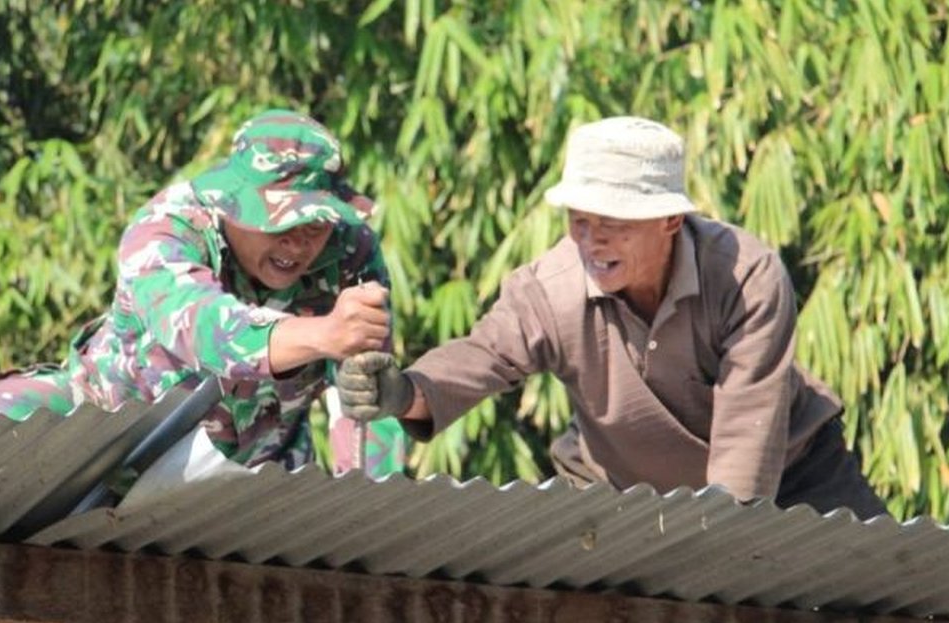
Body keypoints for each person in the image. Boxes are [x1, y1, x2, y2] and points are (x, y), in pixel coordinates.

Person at [338, 116, 887, 519]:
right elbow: (483, 355)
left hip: (792, 472)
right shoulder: (549, 289)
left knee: (890, 603)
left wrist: (717, 544)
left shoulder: (745, 275)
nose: (591, 241)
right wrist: (404, 393)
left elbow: (749, 433)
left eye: (613, 224)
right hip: (621, 490)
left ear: (670, 221)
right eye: (579, 221)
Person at [0, 109, 405, 476]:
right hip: (114, 444)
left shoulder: (351, 252)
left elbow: (369, 401)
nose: (298, 245)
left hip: (254, 470)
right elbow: (206, 330)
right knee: (4, 413)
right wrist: (323, 335)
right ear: (233, 204)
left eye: (315, 226)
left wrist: (368, 517)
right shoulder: (168, 228)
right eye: (281, 225)